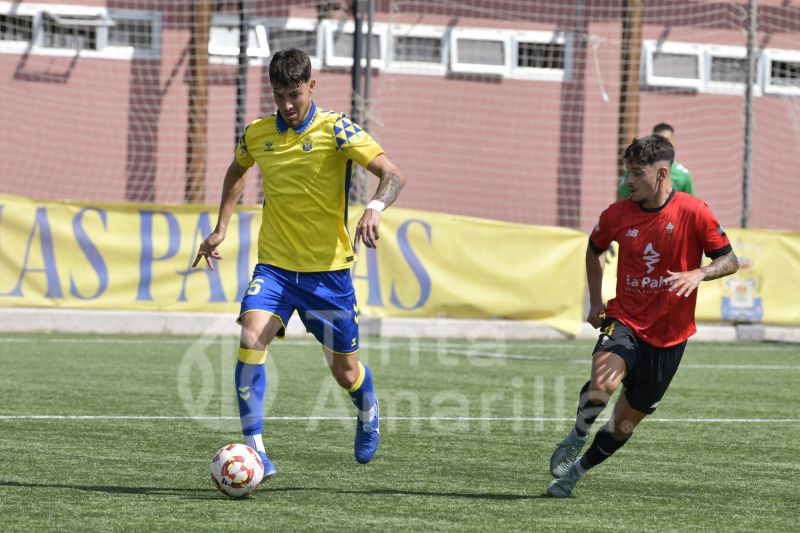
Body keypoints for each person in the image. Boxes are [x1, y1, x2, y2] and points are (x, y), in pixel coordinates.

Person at [193, 48, 405, 476]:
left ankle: (368, 410)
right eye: (278, 95)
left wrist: (375, 208)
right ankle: (256, 450)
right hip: (273, 267)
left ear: (312, 86)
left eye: (294, 94)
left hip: (328, 274)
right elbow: (237, 171)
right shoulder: (258, 133)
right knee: (252, 338)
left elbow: (392, 174)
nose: (287, 105)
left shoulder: (337, 129)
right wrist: (221, 227)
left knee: (346, 373)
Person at [546, 135, 738, 498]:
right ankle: (579, 432)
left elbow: (730, 260)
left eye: (637, 173)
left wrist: (699, 273)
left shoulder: (695, 211)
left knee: (623, 427)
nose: (629, 180)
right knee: (603, 384)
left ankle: (575, 474)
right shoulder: (616, 213)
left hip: (671, 336)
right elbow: (594, 250)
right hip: (625, 320)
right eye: (627, 172)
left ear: (662, 173)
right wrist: (596, 300)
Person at [617, 123, 694, 201]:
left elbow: (691, 203)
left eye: (666, 141)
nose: (661, 145)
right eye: (657, 141)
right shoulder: (635, 169)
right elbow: (620, 201)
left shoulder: (683, 175)